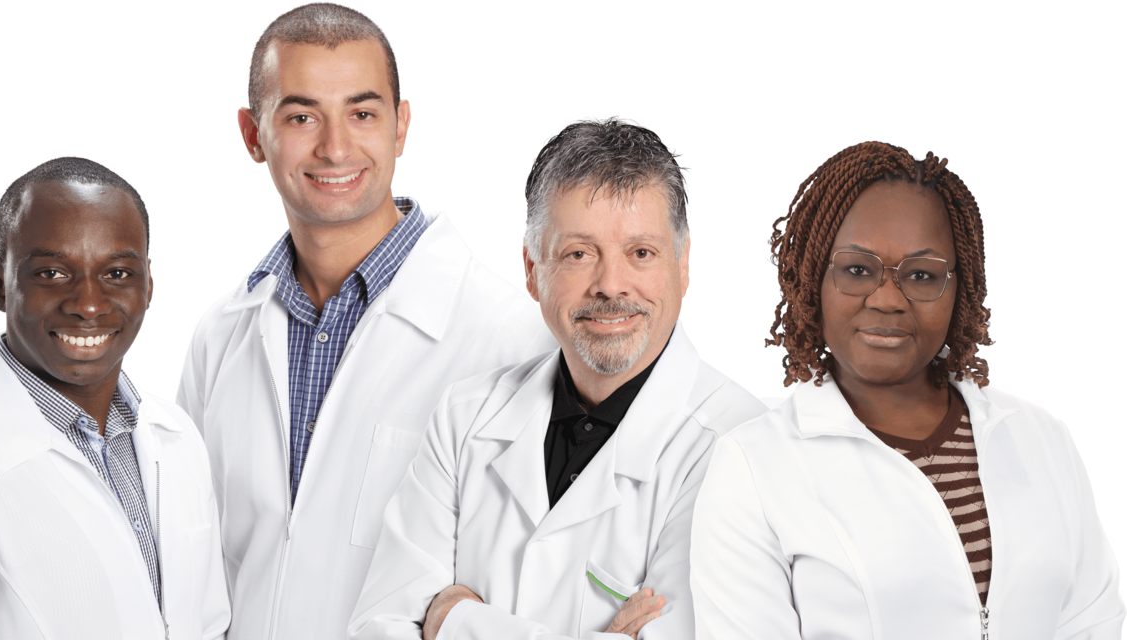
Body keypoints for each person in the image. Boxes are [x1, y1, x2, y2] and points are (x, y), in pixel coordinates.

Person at [174, 3, 554, 638]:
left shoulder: (511, 338)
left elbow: (538, 578)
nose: (335, 148)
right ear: (252, 135)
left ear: (401, 128)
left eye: (362, 114)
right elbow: (191, 566)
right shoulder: (220, 335)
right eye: (301, 117)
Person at [347, 116, 768, 640]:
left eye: (641, 253)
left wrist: (453, 619)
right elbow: (377, 628)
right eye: (578, 254)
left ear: (683, 265)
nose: (610, 285)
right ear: (531, 269)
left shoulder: (744, 449)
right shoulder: (465, 418)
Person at [690, 140, 1124, 639]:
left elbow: (1093, 620)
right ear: (813, 279)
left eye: (921, 275)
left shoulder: (1040, 436)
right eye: (857, 270)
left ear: (960, 288)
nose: (887, 299)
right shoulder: (752, 468)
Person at [0, 156, 229, 639]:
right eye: (52, 273)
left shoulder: (178, 437)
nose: (88, 304)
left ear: (149, 284)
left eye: (117, 273)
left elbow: (209, 626)